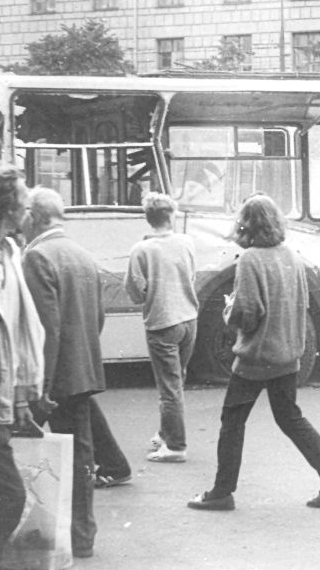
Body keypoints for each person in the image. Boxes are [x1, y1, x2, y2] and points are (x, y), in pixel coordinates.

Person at [187, 193, 320, 511]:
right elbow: (299, 304)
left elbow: (247, 313)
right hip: (288, 355)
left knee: (232, 421)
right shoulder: (290, 254)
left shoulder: (249, 260)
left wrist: (228, 310)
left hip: (256, 358)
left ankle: (221, 492)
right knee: (290, 418)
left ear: (248, 226)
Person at [21, 187, 107, 558]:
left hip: (55, 379)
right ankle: (82, 535)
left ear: (36, 217)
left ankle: (38, 537)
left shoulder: (37, 256)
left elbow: (47, 329)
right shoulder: (83, 254)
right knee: (81, 457)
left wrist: (42, 388)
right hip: (84, 372)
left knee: (35, 458)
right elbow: (98, 318)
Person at [0, 166, 44, 568]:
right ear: (7, 208)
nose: (30, 208)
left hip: (2, 401)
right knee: (10, 496)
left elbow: (21, 330)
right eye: (24, 202)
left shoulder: (9, 254)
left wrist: (23, 394)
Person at [125, 192, 199, 463]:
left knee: (169, 387)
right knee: (178, 378)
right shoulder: (187, 242)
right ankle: (165, 432)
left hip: (162, 323)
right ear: (171, 216)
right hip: (189, 318)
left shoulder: (141, 250)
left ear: (148, 218)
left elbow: (136, 291)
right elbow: (191, 276)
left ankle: (176, 446)